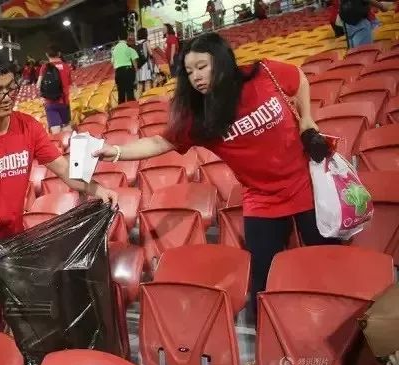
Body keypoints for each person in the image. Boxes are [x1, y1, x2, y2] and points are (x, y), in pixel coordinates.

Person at [93, 33, 339, 317]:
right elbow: (160, 143)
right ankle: (271, 338)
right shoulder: (199, 117)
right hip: (263, 201)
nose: (196, 77)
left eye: (202, 67)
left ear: (221, 61)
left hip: (309, 186)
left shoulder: (262, 73)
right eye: (189, 72)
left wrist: (307, 119)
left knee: (330, 264)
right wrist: (116, 152)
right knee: (264, 283)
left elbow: (299, 78)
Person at [0, 52, 118, 332]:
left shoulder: (28, 127)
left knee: (22, 321)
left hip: (12, 239)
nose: (6, 98)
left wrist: (98, 189)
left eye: (10, 88)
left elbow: (64, 169)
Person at [38, 44, 73, 134]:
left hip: (49, 102)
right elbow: (70, 84)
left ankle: (59, 142)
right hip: (64, 101)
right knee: (67, 127)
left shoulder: (44, 67)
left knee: (55, 130)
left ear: (47, 54)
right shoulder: (66, 66)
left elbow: (38, 85)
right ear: (59, 53)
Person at [112, 28, 139, 104]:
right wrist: (136, 75)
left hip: (118, 72)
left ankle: (121, 110)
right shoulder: (128, 47)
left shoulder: (114, 49)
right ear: (127, 37)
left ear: (118, 38)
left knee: (121, 95)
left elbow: (113, 62)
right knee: (130, 93)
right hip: (128, 72)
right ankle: (132, 109)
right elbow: (135, 63)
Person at [136, 27, 154, 94]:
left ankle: (138, 98)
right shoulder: (146, 42)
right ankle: (147, 98)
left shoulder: (136, 43)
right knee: (147, 82)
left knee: (140, 84)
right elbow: (151, 53)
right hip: (146, 65)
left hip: (139, 66)